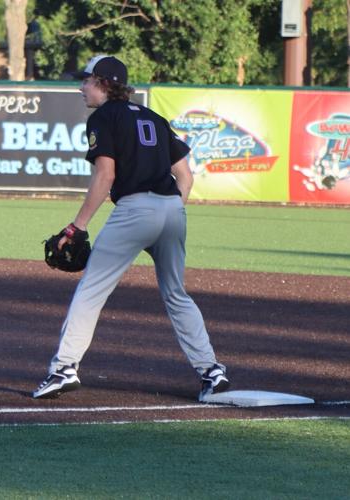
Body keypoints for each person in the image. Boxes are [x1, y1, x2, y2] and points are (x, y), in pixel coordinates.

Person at [31, 55, 229, 402]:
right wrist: (167, 210)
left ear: (104, 83)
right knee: (176, 295)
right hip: (172, 210)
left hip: (135, 210)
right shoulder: (154, 117)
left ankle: (63, 369)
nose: (81, 87)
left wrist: (77, 227)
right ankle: (211, 371)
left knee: (91, 290)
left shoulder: (103, 117)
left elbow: (105, 176)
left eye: (87, 80)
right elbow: (185, 176)